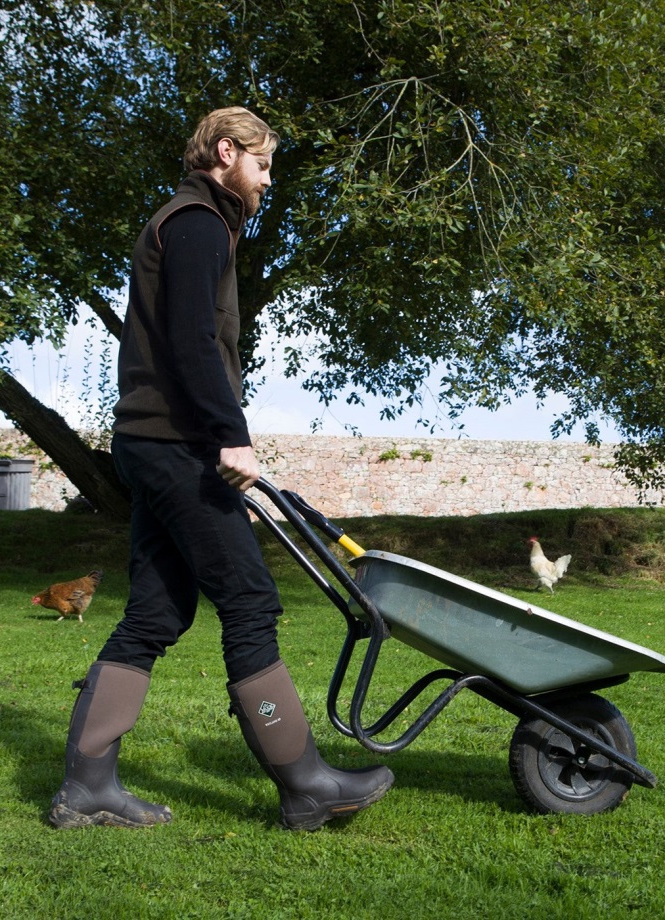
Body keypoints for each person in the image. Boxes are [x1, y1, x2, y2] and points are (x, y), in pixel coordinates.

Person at [49, 106, 394, 832]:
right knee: (249, 599)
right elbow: (193, 339)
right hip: (177, 444)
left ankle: (86, 789)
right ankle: (306, 786)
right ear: (226, 153)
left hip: (152, 444)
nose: (268, 182)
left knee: (156, 612)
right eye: (263, 165)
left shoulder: (188, 223)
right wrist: (230, 435)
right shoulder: (199, 222)